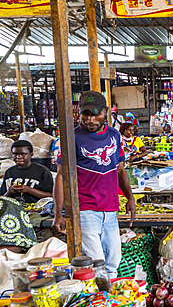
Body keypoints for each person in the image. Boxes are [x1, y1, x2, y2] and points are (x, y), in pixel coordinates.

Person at [52, 91, 135, 279]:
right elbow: (61, 176)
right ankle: (101, 302)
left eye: (95, 114)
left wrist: (130, 197)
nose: (90, 119)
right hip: (85, 210)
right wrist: (59, 213)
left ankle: (111, 303)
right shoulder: (71, 138)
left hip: (111, 209)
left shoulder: (114, 136)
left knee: (114, 261)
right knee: (97, 264)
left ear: (105, 111)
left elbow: (120, 170)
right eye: (85, 114)